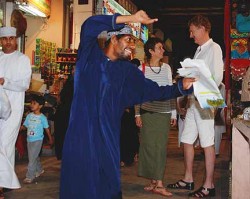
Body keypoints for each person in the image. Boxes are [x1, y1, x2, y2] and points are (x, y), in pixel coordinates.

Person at [60, 11, 195, 199]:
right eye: (128, 40)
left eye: (134, 41)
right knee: (79, 183)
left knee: (107, 184)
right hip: (80, 135)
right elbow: (89, 25)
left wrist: (181, 87)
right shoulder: (89, 58)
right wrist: (131, 19)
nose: (133, 46)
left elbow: (153, 90)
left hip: (107, 137)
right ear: (113, 39)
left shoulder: (127, 71)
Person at [167, 15, 224, 198]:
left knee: (207, 144)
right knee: (186, 140)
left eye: (192, 31)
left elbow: (217, 78)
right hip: (194, 101)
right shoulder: (199, 50)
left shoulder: (214, 48)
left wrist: (197, 80)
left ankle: (209, 185)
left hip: (205, 102)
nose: (191, 35)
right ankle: (188, 178)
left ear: (202, 28)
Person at [134, 37, 176, 197]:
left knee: (160, 148)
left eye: (162, 48)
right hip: (146, 113)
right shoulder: (141, 69)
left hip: (163, 112)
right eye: (159, 48)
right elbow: (137, 93)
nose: (162, 50)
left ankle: (159, 183)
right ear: (151, 51)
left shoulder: (166, 68)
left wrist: (173, 112)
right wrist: (137, 113)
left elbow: (170, 91)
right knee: (147, 147)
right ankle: (153, 180)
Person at [0, 27, 31, 198]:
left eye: (12, 38)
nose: (8, 42)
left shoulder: (22, 59)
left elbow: (25, 84)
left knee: (4, 143)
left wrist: (5, 81)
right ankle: (7, 182)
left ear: (16, 40)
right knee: (6, 147)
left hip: (14, 109)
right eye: (5, 39)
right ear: (1, 41)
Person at [20, 95, 53, 183]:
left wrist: (50, 139)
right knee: (35, 156)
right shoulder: (29, 116)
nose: (31, 105)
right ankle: (40, 169)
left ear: (40, 106)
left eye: (34, 103)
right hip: (29, 140)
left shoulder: (42, 118)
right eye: (31, 103)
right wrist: (19, 129)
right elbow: (25, 126)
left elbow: (47, 129)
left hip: (38, 140)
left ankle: (30, 176)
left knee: (31, 158)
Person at [54, 67, 74, 160]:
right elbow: (62, 97)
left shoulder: (75, 83)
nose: (74, 71)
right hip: (64, 112)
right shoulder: (70, 83)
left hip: (70, 112)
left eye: (76, 69)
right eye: (73, 69)